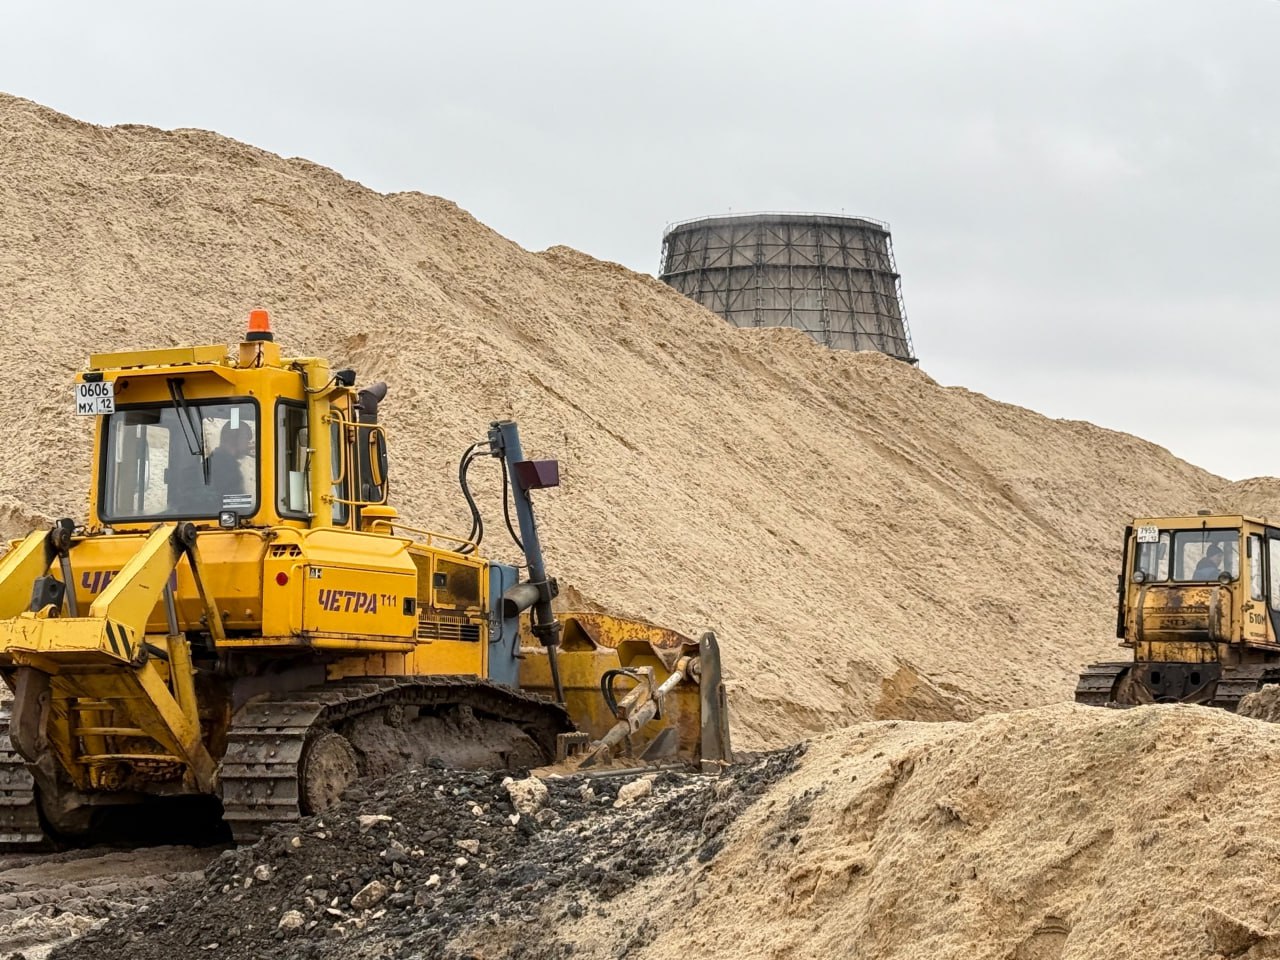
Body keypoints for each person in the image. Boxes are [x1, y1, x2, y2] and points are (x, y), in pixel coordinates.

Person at [207, 420, 254, 496]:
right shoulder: (227, 467)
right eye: (246, 439)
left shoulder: (212, 461)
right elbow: (236, 503)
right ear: (234, 439)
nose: (248, 444)